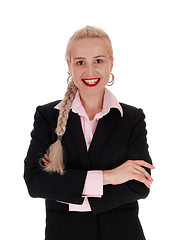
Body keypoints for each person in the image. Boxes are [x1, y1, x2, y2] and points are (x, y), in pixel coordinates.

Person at [24, 26, 154, 240]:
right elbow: (35, 181)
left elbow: (140, 184)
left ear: (111, 63)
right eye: (81, 62)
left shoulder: (132, 118)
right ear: (69, 66)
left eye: (99, 61)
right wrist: (111, 176)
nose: (90, 71)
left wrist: (73, 195)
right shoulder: (47, 116)